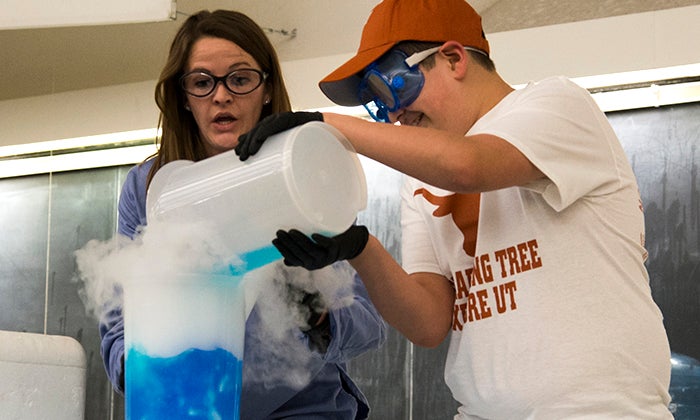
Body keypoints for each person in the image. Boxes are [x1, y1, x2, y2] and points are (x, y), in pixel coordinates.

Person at [233, 0, 674, 418]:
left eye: (391, 86)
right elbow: (428, 322)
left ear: (453, 58)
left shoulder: (556, 104)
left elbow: (468, 166)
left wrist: (325, 124)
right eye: (377, 102)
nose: (392, 113)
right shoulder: (422, 177)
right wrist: (358, 247)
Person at [98, 10, 386, 419]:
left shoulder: (302, 176)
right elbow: (117, 314)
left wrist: (315, 313)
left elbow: (370, 325)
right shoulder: (148, 188)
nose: (221, 96)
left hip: (304, 410)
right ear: (183, 96)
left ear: (266, 88)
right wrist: (148, 371)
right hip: (189, 405)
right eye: (202, 82)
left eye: (240, 78)